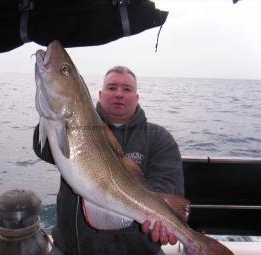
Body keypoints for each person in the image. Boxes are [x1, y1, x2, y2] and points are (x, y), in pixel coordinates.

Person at [33, 66, 184, 255]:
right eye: (112, 88)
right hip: (72, 248)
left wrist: (163, 219)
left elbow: (169, 183)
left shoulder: (158, 137)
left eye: (127, 89)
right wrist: (53, 112)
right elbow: (43, 150)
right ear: (100, 94)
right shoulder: (75, 127)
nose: (119, 94)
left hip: (140, 251)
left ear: (137, 97)